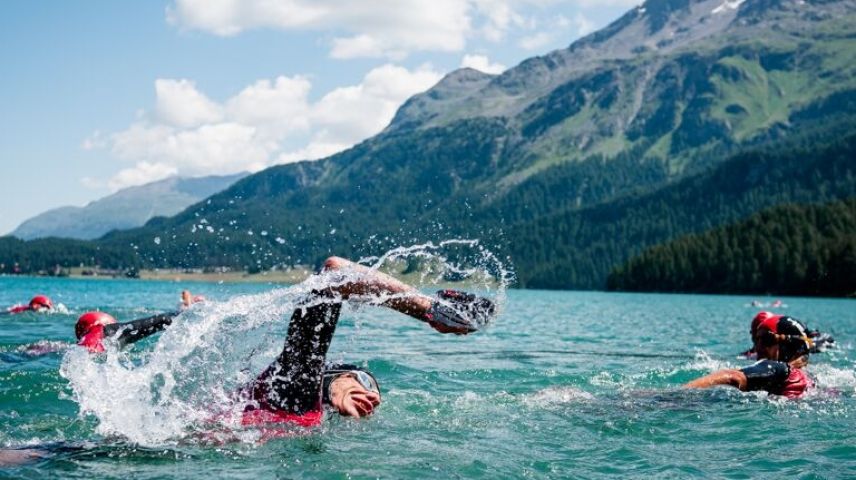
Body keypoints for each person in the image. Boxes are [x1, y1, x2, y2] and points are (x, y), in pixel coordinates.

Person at [73, 256, 495, 424]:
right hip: (237, 424)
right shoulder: (231, 410)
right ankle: (432, 312)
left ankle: (432, 312)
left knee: (333, 274)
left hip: (280, 410)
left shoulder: (293, 395)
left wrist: (339, 388)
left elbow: (348, 374)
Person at [685, 315, 814, 398]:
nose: (758, 348)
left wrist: (677, 395)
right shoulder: (811, 380)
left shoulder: (780, 369)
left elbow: (733, 377)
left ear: (788, 346)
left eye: (765, 340)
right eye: (756, 341)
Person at [741, 311, 834, 357]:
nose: (760, 346)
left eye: (766, 340)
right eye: (757, 338)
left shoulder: (803, 344)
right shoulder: (748, 355)